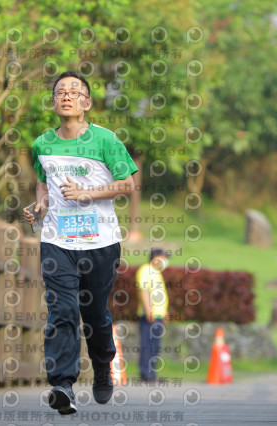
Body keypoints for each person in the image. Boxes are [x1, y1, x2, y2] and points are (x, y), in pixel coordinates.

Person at [23, 70, 138, 415]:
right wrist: (40, 205)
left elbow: (127, 185)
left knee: (95, 313)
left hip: (100, 242)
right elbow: (43, 183)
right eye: (61, 92)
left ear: (86, 103)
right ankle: (62, 384)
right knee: (62, 310)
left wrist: (87, 193)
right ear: (53, 102)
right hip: (57, 241)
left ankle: (103, 365)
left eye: (74, 92)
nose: (67, 96)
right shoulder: (42, 144)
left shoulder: (106, 140)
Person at [135, 247, 171, 382]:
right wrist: (148, 310)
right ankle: (146, 374)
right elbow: (144, 290)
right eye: (163, 257)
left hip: (158, 315)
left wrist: (164, 311)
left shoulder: (156, 273)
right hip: (150, 315)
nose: (165, 261)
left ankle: (152, 374)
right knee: (147, 344)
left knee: (154, 346)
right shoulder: (146, 270)